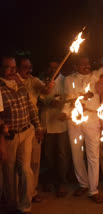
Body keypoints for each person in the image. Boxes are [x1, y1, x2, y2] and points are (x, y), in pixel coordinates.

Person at [62, 55, 103, 203]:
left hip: (92, 121)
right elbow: (67, 99)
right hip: (74, 122)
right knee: (76, 155)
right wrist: (65, 112)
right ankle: (83, 183)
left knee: (93, 154)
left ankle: (93, 190)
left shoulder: (96, 75)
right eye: (82, 64)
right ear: (75, 66)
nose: (86, 67)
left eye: (88, 64)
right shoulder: (68, 80)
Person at [0, 55, 42, 214]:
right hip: (10, 137)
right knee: (9, 173)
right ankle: (11, 205)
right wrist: (2, 140)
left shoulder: (20, 84)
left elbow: (30, 107)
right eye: (7, 67)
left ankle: (25, 206)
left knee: (26, 170)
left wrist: (37, 127)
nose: (11, 70)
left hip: (26, 132)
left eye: (13, 67)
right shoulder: (0, 89)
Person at [16, 55, 54, 203]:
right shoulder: (12, 82)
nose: (29, 70)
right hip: (19, 126)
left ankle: (32, 191)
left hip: (34, 125)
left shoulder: (33, 80)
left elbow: (44, 91)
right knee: (21, 165)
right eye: (25, 67)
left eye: (30, 67)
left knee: (35, 162)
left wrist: (48, 87)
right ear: (18, 69)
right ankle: (20, 193)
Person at [39, 58, 70, 197]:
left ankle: (62, 182)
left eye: (55, 67)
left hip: (61, 124)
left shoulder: (65, 81)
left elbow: (70, 98)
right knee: (48, 154)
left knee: (62, 154)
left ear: (60, 68)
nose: (53, 70)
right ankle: (50, 180)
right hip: (46, 123)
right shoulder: (42, 80)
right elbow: (38, 98)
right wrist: (47, 101)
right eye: (50, 68)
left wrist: (64, 110)